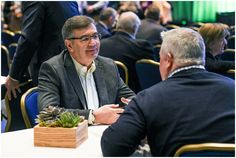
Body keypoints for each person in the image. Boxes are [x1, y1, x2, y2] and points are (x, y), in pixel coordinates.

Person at [101, 28, 235, 156]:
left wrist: (136, 114)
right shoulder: (232, 87)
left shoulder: (147, 99)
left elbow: (112, 147)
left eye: (160, 58)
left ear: (168, 59)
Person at [38, 15, 135, 125]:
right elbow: (48, 113)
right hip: (75, 137)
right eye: (85, 39)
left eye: (95, 36)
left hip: (107, 133)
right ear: (69, 45)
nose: (93, 43)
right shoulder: (53, 69)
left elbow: (129, 97)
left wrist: (131, 104)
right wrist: (92, 116)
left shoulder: (108, 65)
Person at [5, 1, 79, 100]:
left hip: (48, 68)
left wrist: (14, 76)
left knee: (51, 111)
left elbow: (29, 39)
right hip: (74, 62)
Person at [99, 11, 155, 93]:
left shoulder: (101, 44)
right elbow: (151, 74)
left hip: (102, 92)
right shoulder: (141, 46)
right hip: (130, 94)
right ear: (135, 28)